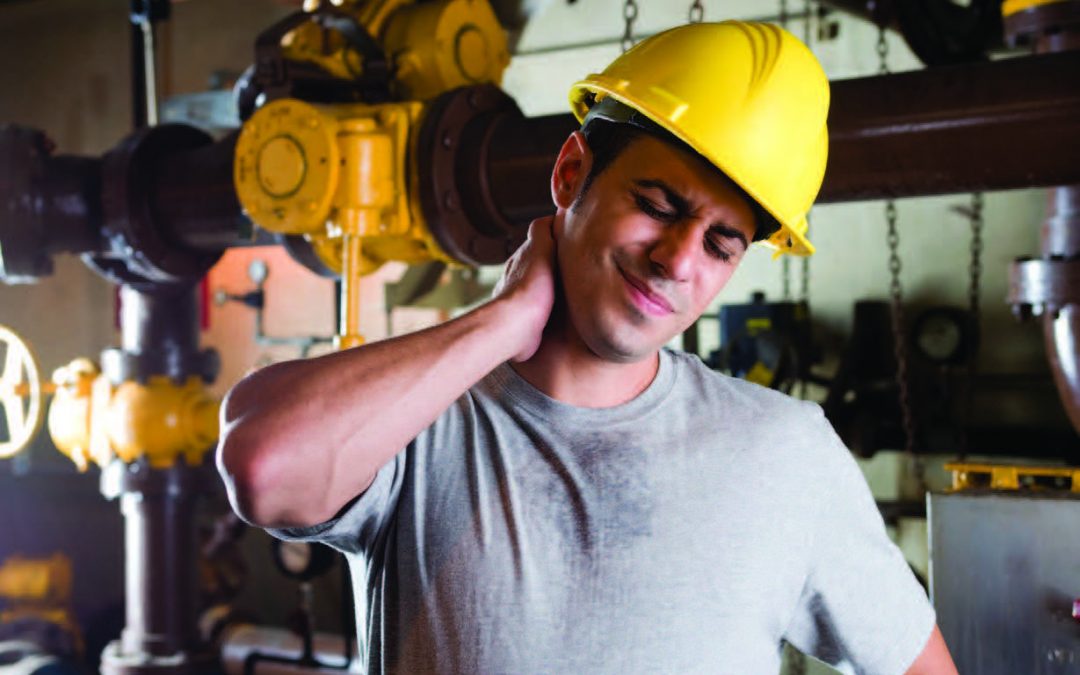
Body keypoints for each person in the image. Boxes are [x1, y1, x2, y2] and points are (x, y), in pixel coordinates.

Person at [217, 20, 957, 674]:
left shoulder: (786, 453)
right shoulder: (422, 419)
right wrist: (502, 322)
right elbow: (263, 464)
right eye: (658, 205)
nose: (677, 258)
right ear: (571, 173)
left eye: (721, 244)